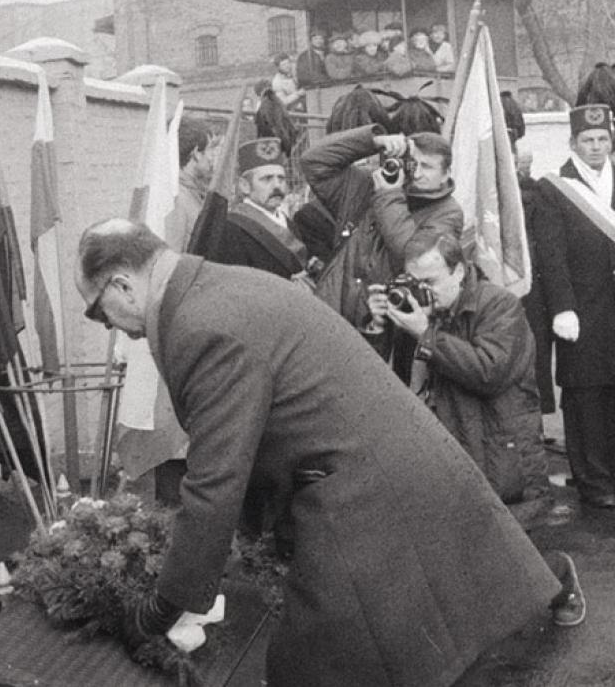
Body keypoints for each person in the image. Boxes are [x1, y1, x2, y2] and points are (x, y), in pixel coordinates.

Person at [76, 219, 584, 687]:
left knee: (313, 666)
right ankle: (553, 577)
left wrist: (160, 610)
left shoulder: (199, 323)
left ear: (122, 285)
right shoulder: (220, 286)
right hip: (385, 463)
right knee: (460, 592)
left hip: (364, 485)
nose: (108, 325)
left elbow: (215, 483)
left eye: (99, 312)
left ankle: (550, 579)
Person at [367, 232, 549, 520]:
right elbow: (381, 383)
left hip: (498, 466)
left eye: (430, 282)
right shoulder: (418, 311)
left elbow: (489, 373)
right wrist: (377, 328)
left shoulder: (500, 305)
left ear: (460, 272)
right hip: (440, 465)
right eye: (414, 283)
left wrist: (425, 333)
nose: (422, 291)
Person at [301, 124, 462, 330]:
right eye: (413, 164)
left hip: (382, 324)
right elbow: (313, 162)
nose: (417, 174)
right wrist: (373, 142)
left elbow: (412, 255)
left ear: (446, 173)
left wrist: (388, 195)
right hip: (330, 311)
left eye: (427, 167)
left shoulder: (448, 213)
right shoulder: (368, 184)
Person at [533, 104, 615, 509]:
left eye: (602, 139)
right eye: (588, 140)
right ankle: (595, 482)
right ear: (573, 143)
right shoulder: (554, 189)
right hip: (583, 311)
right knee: (586, 396)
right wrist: (563, 308)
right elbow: (552, 257)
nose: (596, 147)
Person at [216, 138, 315, 282]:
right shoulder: (232, 227)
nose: (277, 186)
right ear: (245, 186)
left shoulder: (288, 222)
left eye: (281, 178)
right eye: (267, 179)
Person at [515, 143, 556, 418]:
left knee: (535, 350)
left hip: (531, 281)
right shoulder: (537, 193)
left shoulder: (534, 193)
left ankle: (536, 415)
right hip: (530, 280)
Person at [161, 117, 215, 252]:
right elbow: (171, 256)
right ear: (196, 153)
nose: (212, 157)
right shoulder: (176, 199)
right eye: (210, 149)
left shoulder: (190, 191)